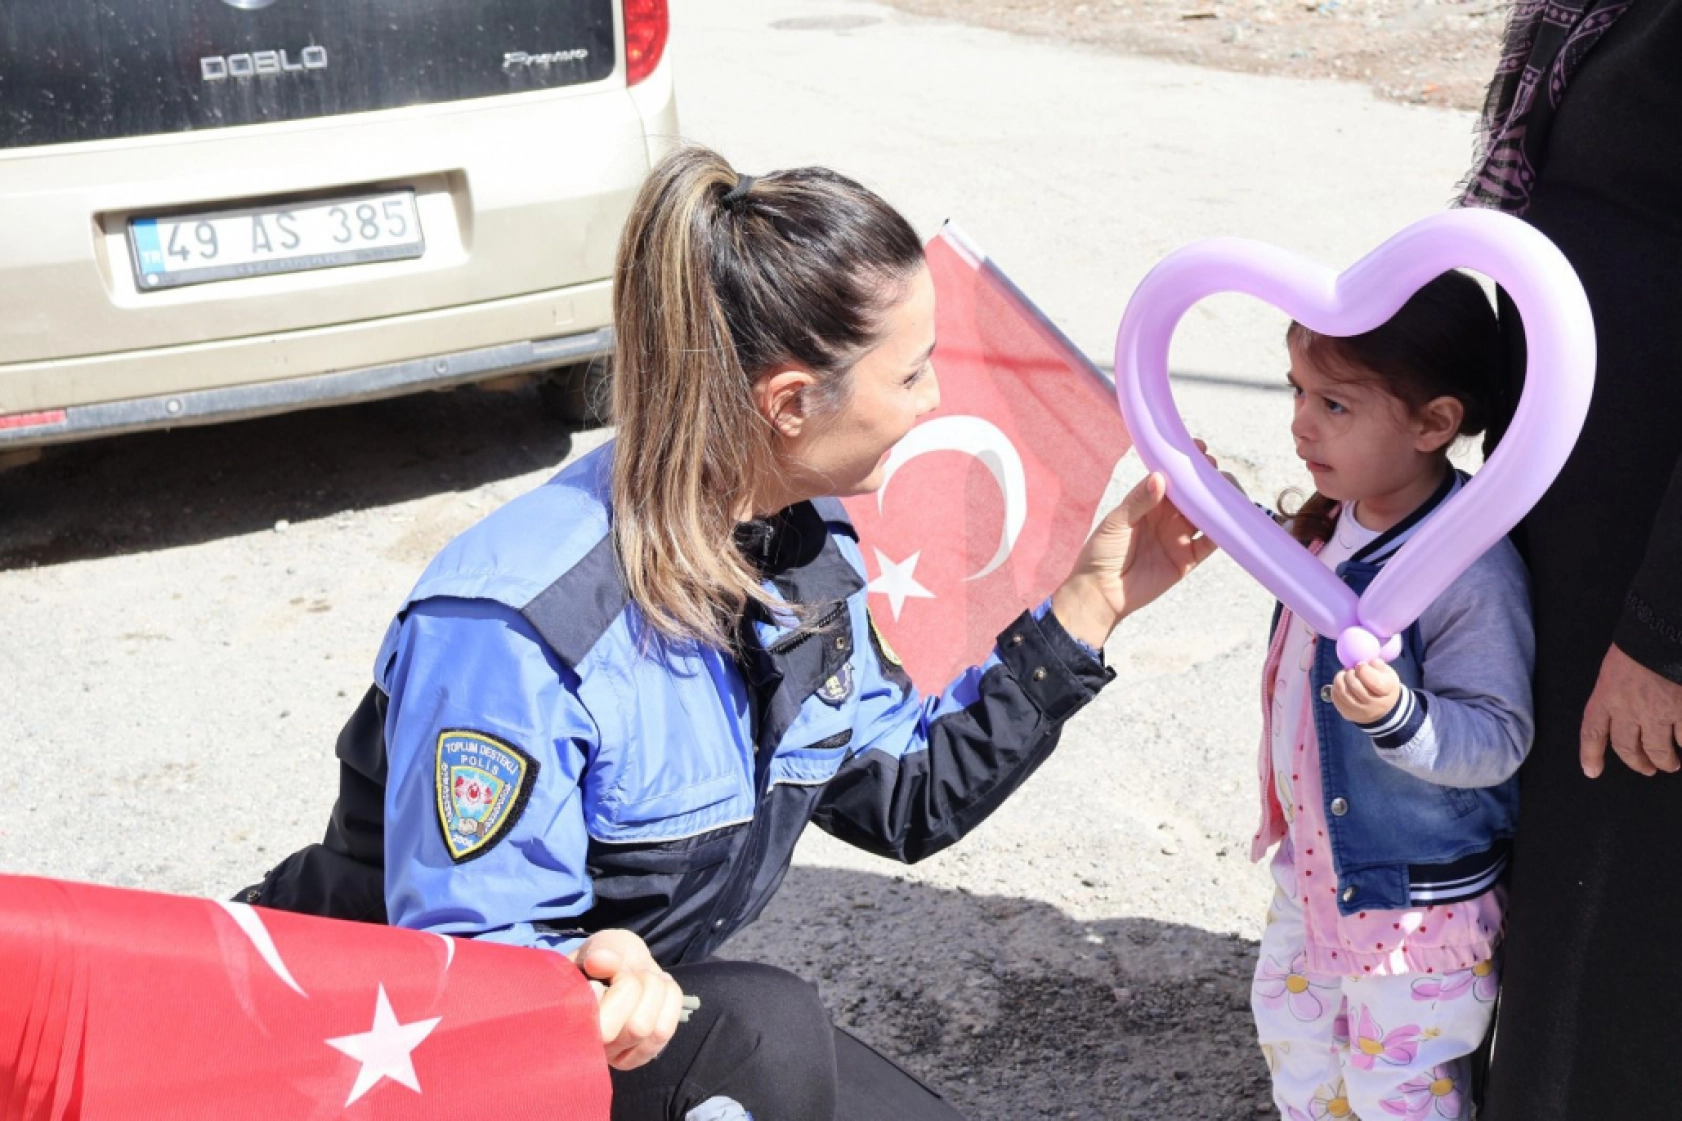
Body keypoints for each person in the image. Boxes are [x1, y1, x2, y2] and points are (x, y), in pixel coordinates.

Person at [241, 144, 1217, 1120]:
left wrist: (1093, 600)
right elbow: (471, 980)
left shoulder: (806, 546)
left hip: (631, 1025)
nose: (935, 402)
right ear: (790, 402)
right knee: (765, 1027)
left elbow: (906, 796)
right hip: (397, 1057)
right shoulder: (518, 630)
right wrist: (593, 963)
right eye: (912, 374)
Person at [1461, 4, 1682, 1116]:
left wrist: (1661, 633)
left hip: (1645, 571)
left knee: (1613, 928)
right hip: (1568, 529)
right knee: (1556, 887)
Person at [1244, 273, 1534, 1120]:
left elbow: (1500, 733)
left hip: (1416, 912)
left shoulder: (1468, 567)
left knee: (1401, 1092)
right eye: (1298, 390)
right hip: (1315, 873)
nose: (1301, 422)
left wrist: (1402, 718)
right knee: (1303, 1062)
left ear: (1434, 423)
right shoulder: (1336, 519)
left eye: (1335, 405)